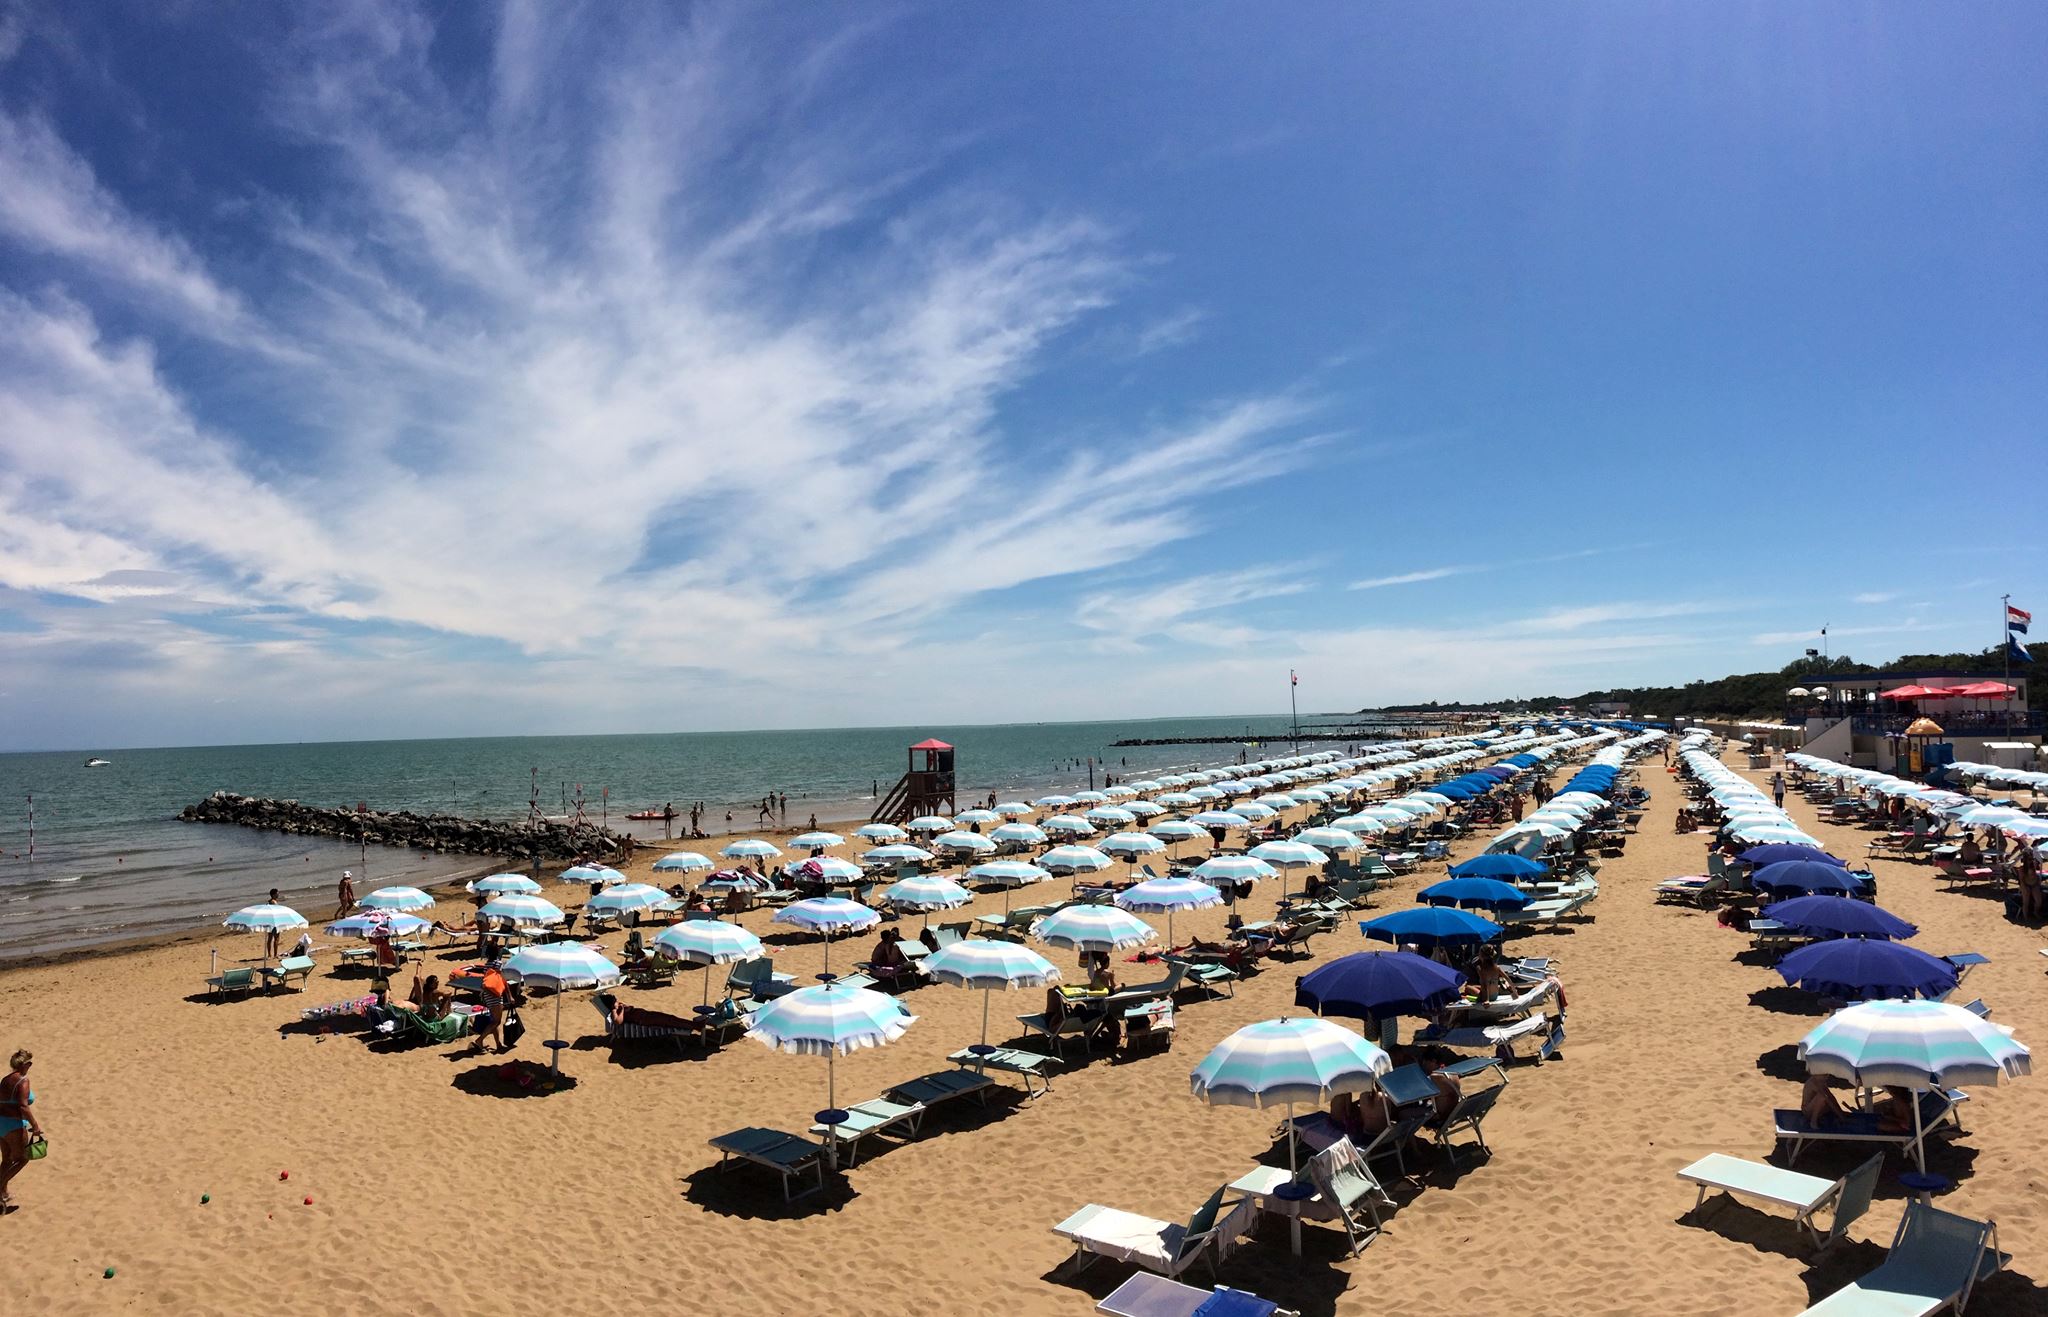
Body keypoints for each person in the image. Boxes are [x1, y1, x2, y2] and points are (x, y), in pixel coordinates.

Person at [0, 1049, 44, 1213]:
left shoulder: (5, 1080)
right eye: (30, 1063)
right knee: (22, 1159)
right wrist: (35, 1126)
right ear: (25, 1065)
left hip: (1, 1123)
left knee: (7, 1160)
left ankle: (3, 1193)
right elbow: (23, 1106)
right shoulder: (23, 1081)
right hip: (14, 1125)